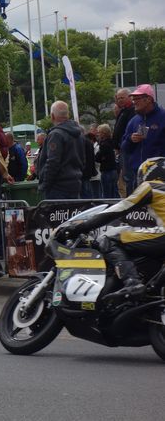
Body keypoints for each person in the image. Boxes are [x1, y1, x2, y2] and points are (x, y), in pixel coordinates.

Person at [59, 158, 165, 300]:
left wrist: (80, 227)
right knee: (153, 288)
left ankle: (132, 282)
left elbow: (119, 209)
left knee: (110, 238)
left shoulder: (152, 186)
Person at [121, 84, 165, 192]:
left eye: (137, 99)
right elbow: (124, 148)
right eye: (133, 99)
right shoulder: (134, 121)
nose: (134, 102)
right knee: (140, 208)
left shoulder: (163, 117)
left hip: (159, 176)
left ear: (148, 99)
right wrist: (131, 139)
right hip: (137, 176)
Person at [37, 101, 85, 200]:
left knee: (56, 215)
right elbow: (83, 158)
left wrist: (44, 185)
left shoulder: (56, 134)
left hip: (58, 187)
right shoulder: (78, 134)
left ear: (52, 116)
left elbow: (53, 162)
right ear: (67, 114)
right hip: (75, 183)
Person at [113, 88, 135, 196]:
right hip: (122, 149)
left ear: (129, 97)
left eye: (122, 97)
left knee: (129, 177)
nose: (120, 100)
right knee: (126, 178)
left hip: (128, 149)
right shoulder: (123, 110)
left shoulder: (132, 110)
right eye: (118, 98)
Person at [96, 123, 119, 198]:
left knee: (107, 194)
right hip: (114, 170)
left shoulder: (104, 144)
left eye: (99, 132)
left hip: (106, 170)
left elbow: (98, 157)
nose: (98, 134)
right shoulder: (112, 142)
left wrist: (100, 157)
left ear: (104, 133)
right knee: (115, 191)